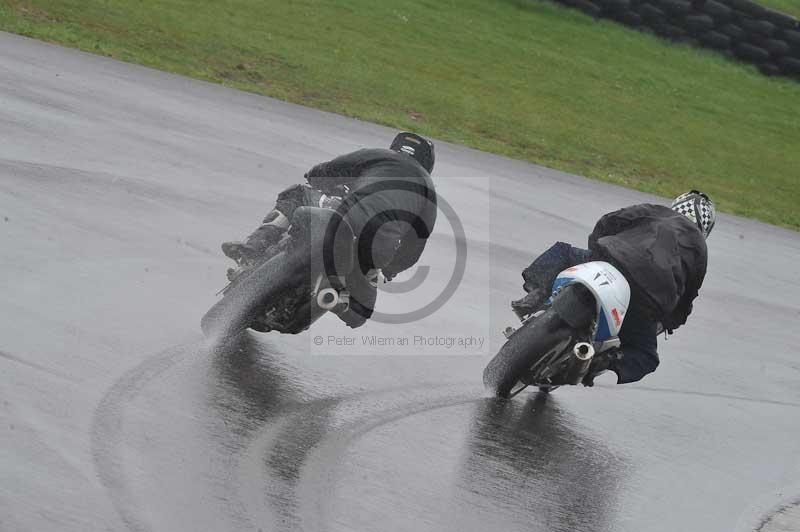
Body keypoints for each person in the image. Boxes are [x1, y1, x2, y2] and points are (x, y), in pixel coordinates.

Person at [222, 132, 437, 328]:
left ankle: (254, 248)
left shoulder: (380, 156)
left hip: (343, 220)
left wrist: (315, 176)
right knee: (361, 305)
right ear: (428, 163)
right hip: (375, 251)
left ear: (395, 146)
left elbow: (333, 167)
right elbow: (413, 248)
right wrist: (389, 271)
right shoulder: (429, 192)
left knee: (296, 194)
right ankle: (337, 300)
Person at [511, 191, 715, 385]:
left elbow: (609, 220)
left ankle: (535, 295)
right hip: (646, 297)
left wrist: (596, 249)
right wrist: (668, 321)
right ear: (704, 228)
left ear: (678, 204)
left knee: (563, 252)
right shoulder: (700, 248)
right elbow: (688, 297)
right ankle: (605, 361)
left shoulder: (656, 210)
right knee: (646, 357)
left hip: (610, 259)